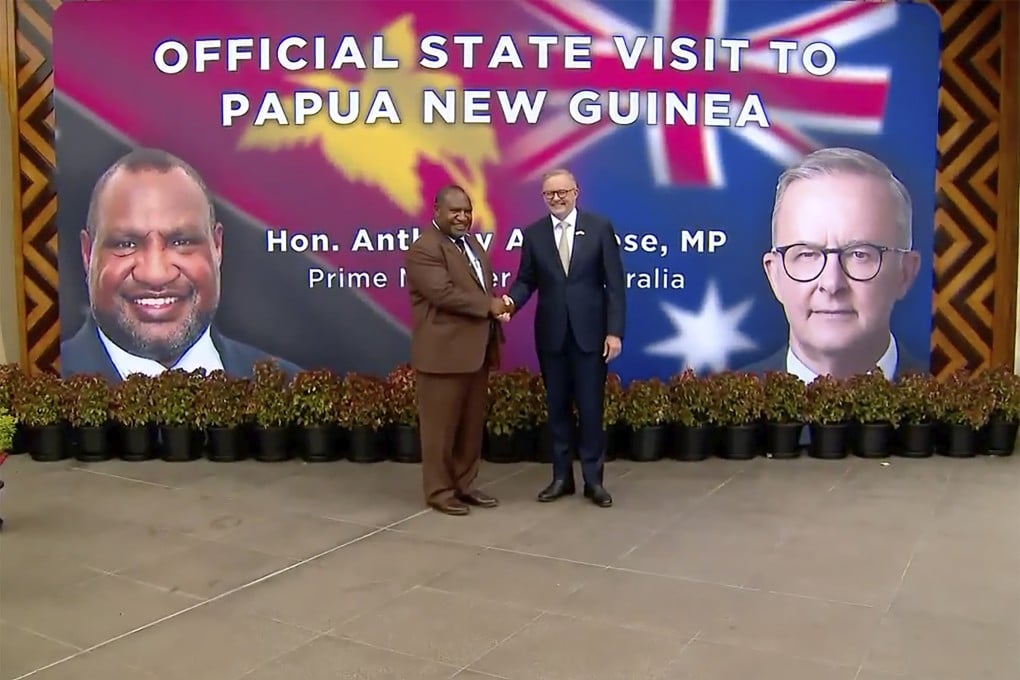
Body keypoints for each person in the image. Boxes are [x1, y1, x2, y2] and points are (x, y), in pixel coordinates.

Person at [60, 147, 301, 381]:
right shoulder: (35, 390)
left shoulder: (291, 392)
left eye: (181, 242)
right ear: (88, 253)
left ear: (217, 247)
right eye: (126, 244)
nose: (155, 274)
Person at [744, 147, 925, 380]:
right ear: (774, 275)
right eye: (807, 255)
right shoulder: (719, 414)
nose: (832, 283)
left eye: (859, 254)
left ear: (905, 273)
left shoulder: (956, 412)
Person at [502, 169, 626, 508]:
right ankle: (561, 478)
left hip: (591, 337)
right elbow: (525, 281)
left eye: (562, 192)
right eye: (549, 194)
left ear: (576, 192)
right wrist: (510, 303)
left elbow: (615, 286)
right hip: (552, 336)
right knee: (556, 410)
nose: (556, 199)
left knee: (590, 409)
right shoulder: (534, 234)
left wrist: (614, 332)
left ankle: (594, 481)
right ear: (543, 198)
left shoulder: (599, 228)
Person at [404, 185, 509, 516]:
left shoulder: (470, 243)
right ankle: (439, 491)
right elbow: (444, 293)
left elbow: (473, 288)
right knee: (440, 431)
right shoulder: (425, 248)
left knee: (469, 427)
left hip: (475, 353)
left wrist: (493, 308)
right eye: (455, 211)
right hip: (442, 356)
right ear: (436, 211)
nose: (463, 217)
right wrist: (490, 306)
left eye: (467, 210)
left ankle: (464, 485)